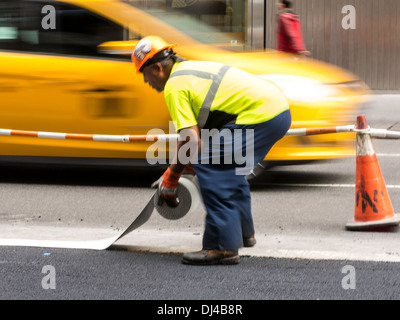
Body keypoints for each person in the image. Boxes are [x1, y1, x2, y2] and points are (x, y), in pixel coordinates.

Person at [132, 35, 292, 265]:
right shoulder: (189, 69)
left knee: (211, 164)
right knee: (228, 167)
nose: (146, 81)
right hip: (277, 110)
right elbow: (200, 136)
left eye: (144, 74)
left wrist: (172, 176)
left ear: (157, 68)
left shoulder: (174, 86)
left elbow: (190, 140)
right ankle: (244, 232)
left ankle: (222, 247)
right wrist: (183, 165)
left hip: (260, 114)